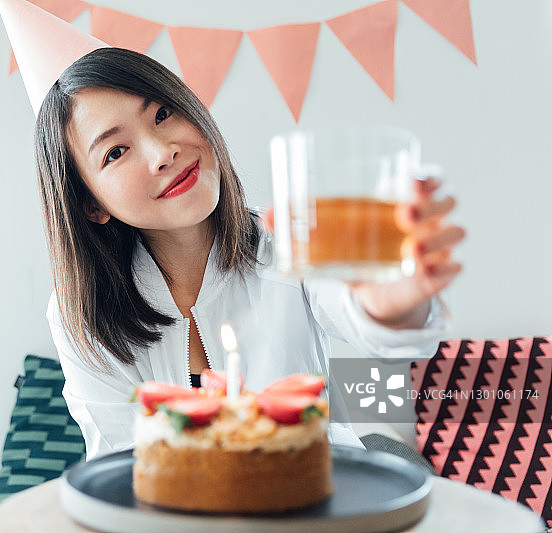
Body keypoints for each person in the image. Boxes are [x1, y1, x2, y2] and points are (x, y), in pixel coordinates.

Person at [34, 47, 464, 460]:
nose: (163, 153)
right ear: (91, 204)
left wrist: (388, 303)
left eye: (163, 114)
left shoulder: (289, 239)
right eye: (115, 152)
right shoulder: (80, 314)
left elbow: (371, 321)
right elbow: (122, 466)